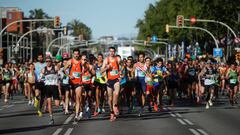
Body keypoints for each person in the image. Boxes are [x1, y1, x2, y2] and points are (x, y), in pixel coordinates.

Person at [101, 47, 121, 121]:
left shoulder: (118, 59)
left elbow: (122, 67)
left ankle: (115, 106)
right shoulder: (106, 60)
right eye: (110, 51)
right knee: (110, 99)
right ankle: (112, 112)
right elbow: (101, 71)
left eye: (113, 51)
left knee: (116, 94)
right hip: (109, 80)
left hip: (116, 79)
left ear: (115, 52)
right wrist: (107, 68)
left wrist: (120, 73)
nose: (112, 53)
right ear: (109, 52)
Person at [64, 48, 83, 121]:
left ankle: (76, 115)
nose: (76, 55)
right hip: (71, 82)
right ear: (73, 54)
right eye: (75, 54)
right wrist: (69, 76)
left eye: (77, 54)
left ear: (79, 54)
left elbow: (86, 69)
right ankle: (77, 108)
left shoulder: (81, 61)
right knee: (72, 97)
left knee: (78, 97)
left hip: (78, 82)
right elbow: (64, 69)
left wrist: (82, 73)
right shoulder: (70, 61)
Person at [41, 56, 60, 125]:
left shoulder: (55, 68)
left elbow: (60, 75)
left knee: (57, 104)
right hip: (47, 87)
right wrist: (41, 79)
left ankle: (55, 100)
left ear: (51, 62)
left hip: (54, 87)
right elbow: (41, 77)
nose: (48, 62)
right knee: (49, 103)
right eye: (47, 61)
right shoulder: (43, 69)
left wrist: (58, 79)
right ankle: (51, 118)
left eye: (49, 61)